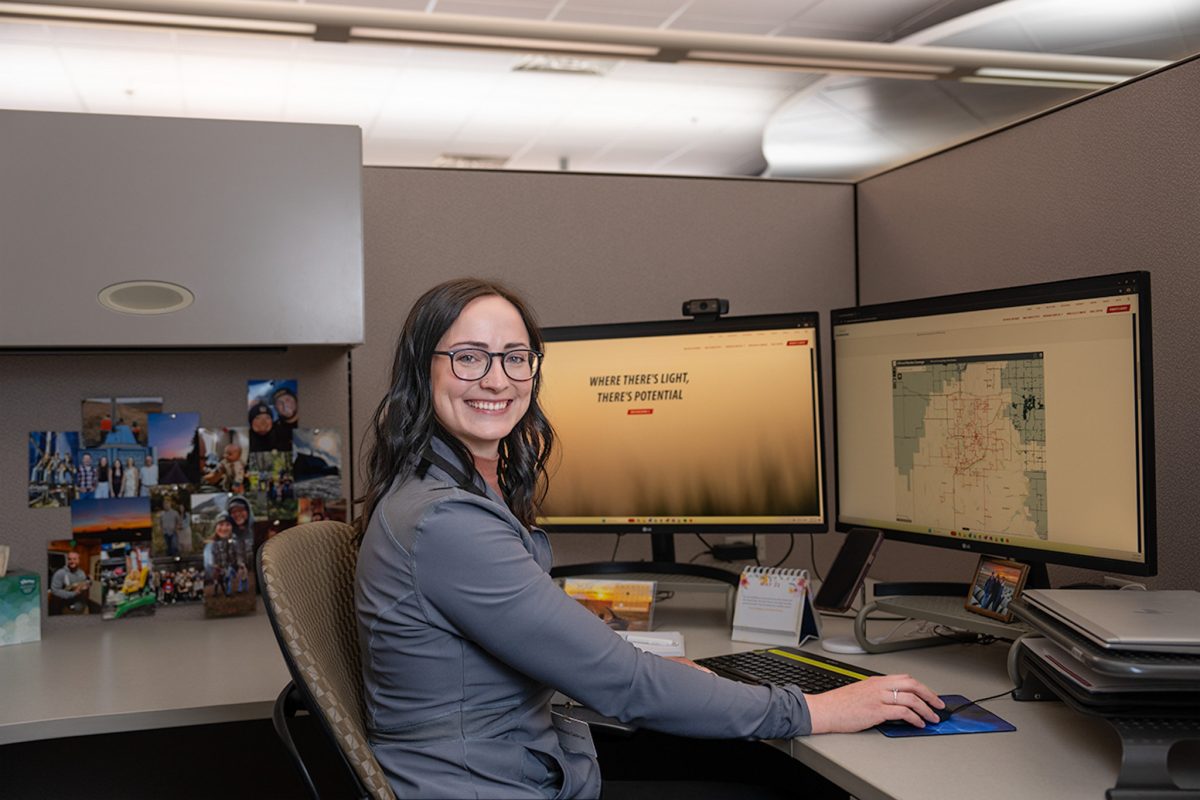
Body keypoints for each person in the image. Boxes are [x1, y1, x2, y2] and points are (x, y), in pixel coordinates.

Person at [355, 279, 943, 799]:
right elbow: (625, 686)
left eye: (515, 358)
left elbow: (575, 653)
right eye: (467, 358)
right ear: (421, 371)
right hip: (485, 782)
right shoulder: (446, 522)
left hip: (501, 767)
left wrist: (661, 671)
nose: (497, 379)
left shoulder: (452, 489)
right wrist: (817, 708)